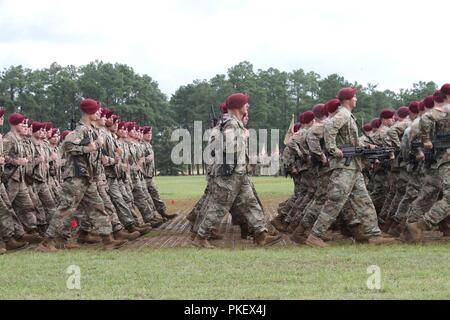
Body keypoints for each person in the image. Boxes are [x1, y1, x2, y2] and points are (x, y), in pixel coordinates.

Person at [306, 87, 395, 247]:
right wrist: (333, 149)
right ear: (348, 99)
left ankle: (374, 234)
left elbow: (351, 139)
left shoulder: (348, 115)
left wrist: (367, 146)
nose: (356, 99)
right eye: (354, 97)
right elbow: (329, 129)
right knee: (336, 199)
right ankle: (315, 235)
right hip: (344, 166)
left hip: (353, 165)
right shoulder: (342, 114)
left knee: (363, 200)